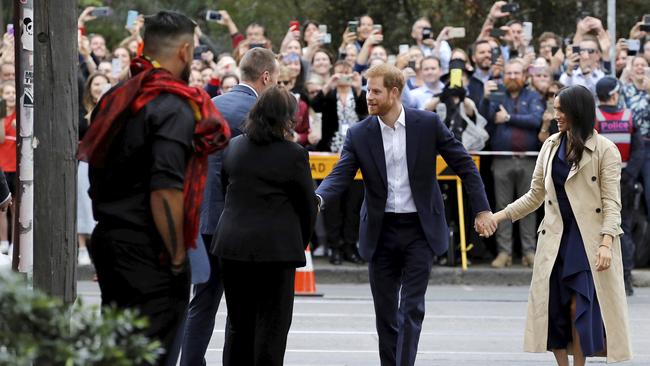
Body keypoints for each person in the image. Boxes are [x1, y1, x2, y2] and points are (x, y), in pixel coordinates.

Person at [77, 11, 230, 366]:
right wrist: (177, 257)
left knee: (118, 352)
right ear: (185, 51)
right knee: (152, 354)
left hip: (111, 240)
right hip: (149, 250)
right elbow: (165, 188)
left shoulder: (118, 97)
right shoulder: (173, 106)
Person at [316, 64, 494, 366]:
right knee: (385, 316)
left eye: (375, 91)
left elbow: (465, 164)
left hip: (419, 230)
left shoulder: (427, 124)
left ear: (394, 92)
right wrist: (317, 198)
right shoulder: (360, 133)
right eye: (366, 90)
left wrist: (483, 209)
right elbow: (341, 174)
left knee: (411, 309)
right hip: (380, 230)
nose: (368, 97)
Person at [490, 85, 632, 365]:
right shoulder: (550, 145)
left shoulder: (606, 150)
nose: (554, 115)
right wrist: (499, 216)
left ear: (576, 111)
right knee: (555, 308)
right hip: (555, 237)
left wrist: (606, 242)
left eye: (559, 110)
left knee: (578, 306)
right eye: (554, 109)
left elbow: (612, 204)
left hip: (588, 239)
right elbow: (535, 195)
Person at [181, 47, 278, 366]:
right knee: (241, 305)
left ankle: (191, 360)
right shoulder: (259, 112)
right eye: (276, 79)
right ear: (266, 76)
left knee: (203, 300)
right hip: (236, 218)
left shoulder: (212, 104)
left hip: (200, 213)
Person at [213, 86, 318, 366]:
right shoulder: (294, 155)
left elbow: (226, 189)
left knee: (238, 324)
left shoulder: (234, 147)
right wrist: (300, 240)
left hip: (232, 244)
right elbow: (307, 206)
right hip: (276, 251)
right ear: (285, 118)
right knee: (272, 327)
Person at [480, 58, 544, 268]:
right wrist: (486, 99)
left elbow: (536, 120)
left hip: (528, 159)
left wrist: (508, 118)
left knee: (530, 207)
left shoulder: (533, 96)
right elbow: (486, 119)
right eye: (509, 73)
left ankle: (529, 251)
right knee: (501, 208)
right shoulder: (497, 94)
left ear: (524, 76)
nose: (513, 77)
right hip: (501, 159)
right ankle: (504, 252)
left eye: (517, 73)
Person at [311, 60, 367, 264]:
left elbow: (368, 110)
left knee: (353, 205)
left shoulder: (358, 95)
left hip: (355, 156)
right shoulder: (329, 95)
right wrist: (328, 86)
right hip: (331, 155)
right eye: (339, 72)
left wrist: (359, 86)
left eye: (347, 72)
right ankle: (334, 247)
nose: (343, 76)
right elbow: (314, 105)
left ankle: (350, 246)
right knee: (332, 204)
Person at [595, 76, 645, 296]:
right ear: (615, 94)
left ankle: (601, 279)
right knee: (622, 228)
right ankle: (625, 280)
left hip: (598, 181)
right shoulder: (629, 116)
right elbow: (639, 150)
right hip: (623, 181)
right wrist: (629, 176)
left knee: (598, 229)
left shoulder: (593, 118)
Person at [0, 81, 16, 256]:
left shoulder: (21, 114)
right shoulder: (1, 116)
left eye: (13, 92)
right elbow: (1, 139)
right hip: (3, 166)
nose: (11, 95)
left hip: (16, 168)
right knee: (2, 209)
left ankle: (15, 243)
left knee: (16, 208)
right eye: (7, 93)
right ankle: (4, 242)